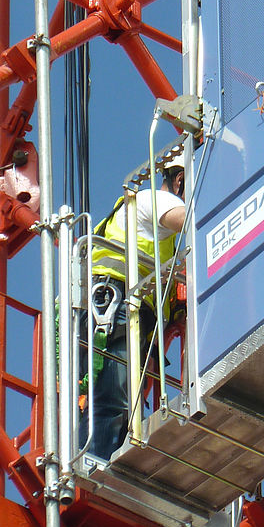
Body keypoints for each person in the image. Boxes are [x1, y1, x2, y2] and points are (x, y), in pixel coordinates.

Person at [81, 158, 185, 459]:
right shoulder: (155, 198)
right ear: (178, 180)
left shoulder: (129, 215)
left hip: (113, 308)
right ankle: (96, 465)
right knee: (113, 401)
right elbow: (192, 218)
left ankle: (97, 457)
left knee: (109, 400)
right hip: (119, 307)